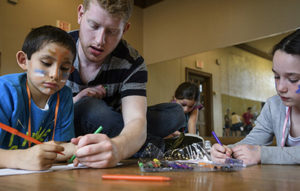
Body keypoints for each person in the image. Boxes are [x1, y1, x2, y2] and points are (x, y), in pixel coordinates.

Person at [67, 0, 185, 168]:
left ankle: (132, 141)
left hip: (113, 120)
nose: (100, 41)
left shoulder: (132, 62)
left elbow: (136, 119)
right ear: (80, 14)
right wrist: (77, 100)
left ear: (125, 30)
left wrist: (118, 149)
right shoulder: (56, 47)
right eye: (93, 26)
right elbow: (39, 111)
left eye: (112, 31)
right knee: (91, 108)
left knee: (175, 113)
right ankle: (158, 146)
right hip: (70, 124)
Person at [211, 29, 300, 165]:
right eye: (276, 76)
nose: (281, 87)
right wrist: (226, 151)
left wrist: (262, 154)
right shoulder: (274, 105)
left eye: (293, 78)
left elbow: (258, 152)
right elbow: (253, 141)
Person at [0, 25, 77, 170]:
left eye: (64, 68)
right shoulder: (4, 91)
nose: (55, 74)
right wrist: (18, 159)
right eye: (46, 63)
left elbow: (57, 148)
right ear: (23, 60)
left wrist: (78, 150)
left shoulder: (64, 96)